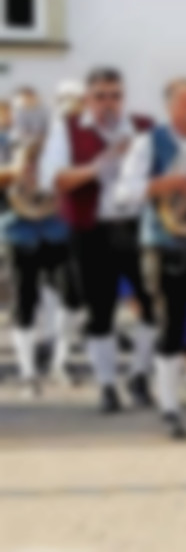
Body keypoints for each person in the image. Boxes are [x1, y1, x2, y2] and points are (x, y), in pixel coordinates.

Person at [38, 67, 157, 412]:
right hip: (87, 230)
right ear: (88, 98)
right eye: (101, 96)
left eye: (115, 96)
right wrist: (99, 165)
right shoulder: (68, 131)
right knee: (100, 310)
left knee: (148, 307)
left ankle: (137, 374)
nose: (109, 103)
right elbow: (56, 182)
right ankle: (107, 384)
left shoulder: (137, 129)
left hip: (130, 226)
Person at [116, 78, 186, 437]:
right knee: (166, 323)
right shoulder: (149, 144)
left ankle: (164, 386)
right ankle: (168, 406)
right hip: (161, 243)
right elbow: (126, 192)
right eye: (185, 103)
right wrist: (164, 186)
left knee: (183, 325)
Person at [1, 89, 83, 395]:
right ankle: (28, 372)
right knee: (24, 301)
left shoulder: (56, 145)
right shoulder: (5, 143)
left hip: (56, 229)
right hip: (18, 232)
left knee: (72, 299)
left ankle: (59, 362)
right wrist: (16, 170)